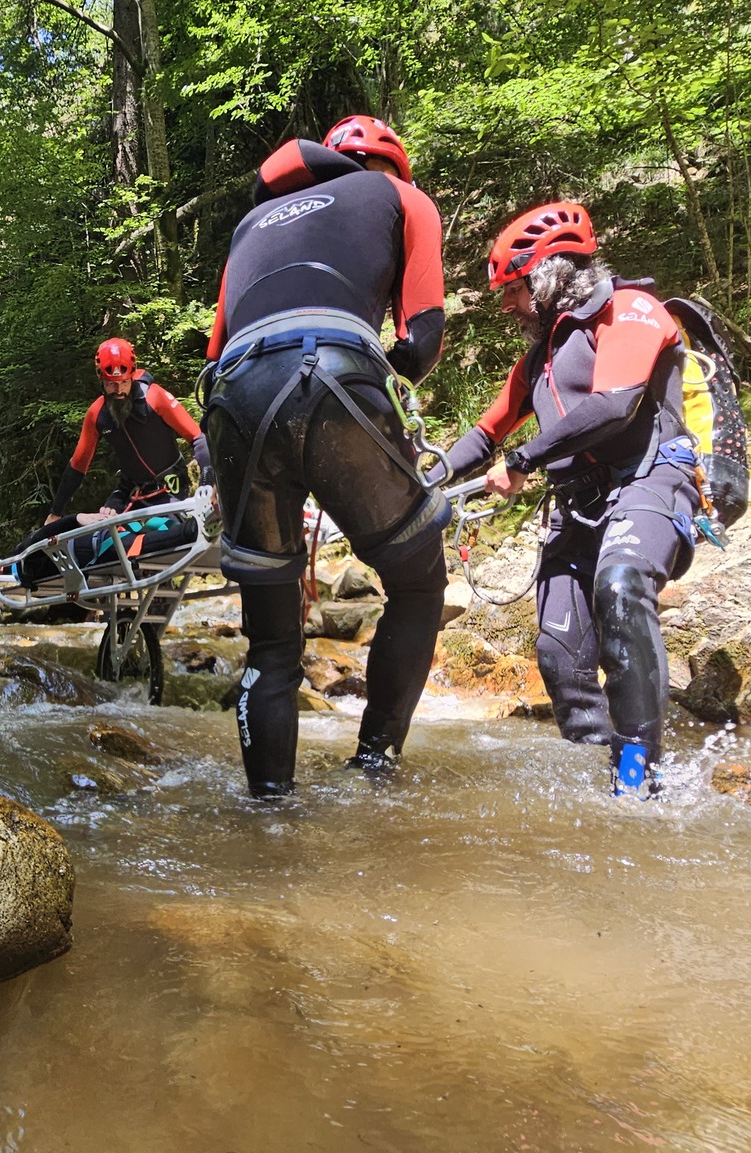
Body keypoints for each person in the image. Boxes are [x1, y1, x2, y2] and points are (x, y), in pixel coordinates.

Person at [201, 113, 450, 798]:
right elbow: (422, 338)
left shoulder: (250, 225)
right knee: (418, 583)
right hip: (336, 377)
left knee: (271, 639)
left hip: (235, 401)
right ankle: (373, 770)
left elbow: (214, 360)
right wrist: (381, 400)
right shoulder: (402, 196)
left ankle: (269, 811)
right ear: (392, 164)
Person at [440, 201, 700, 797]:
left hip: (649, 482)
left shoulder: (629, 310)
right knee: (559, 653)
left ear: (549, 275)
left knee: (621, 586)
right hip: (577, 508)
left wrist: (522, 461)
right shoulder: (538, 360)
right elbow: (484, 434)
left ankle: (638, 777)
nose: (507, 306)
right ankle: (600, 784)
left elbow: (615, 404)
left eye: (514, 290)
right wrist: (420, 482)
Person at [40, 337, 214, 532]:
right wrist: (55, 513)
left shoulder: (154, 397)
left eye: (124, 382)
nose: (119, 390)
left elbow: (198, 439)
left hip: (170, 487)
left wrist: (208, 482)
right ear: (100, 379)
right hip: (129, 491)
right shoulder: (97, 414)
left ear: (132, 375)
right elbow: (77, 467)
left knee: (163, 531)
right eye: (111, 384)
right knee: (105, 533)